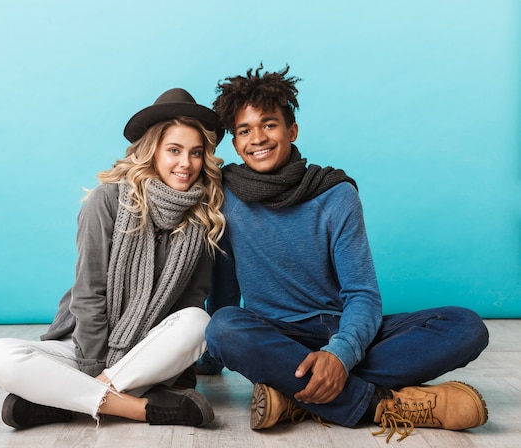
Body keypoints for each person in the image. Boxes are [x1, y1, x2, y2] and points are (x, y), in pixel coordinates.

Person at [199, 65, 490, 442]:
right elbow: (223, 294)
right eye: (244, 130)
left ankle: (294, 396)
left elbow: (362, 294)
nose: (258, 138)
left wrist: (339, 354)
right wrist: (208, 358)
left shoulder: (335, 194)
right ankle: (380, 405)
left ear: (292, 130)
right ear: (235, 144)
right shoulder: (226, 196)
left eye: (269, 124)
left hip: (338, 327)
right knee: (223, 326)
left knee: (466, 327)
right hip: (274, 333)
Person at [0, 87, 226, 429]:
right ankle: (140, 408)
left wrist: (172, 372)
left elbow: (187, 303)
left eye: (196, 153)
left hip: (147, 354)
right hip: (85, 348)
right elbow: (88, 293)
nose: (186, 163)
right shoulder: (107, 200)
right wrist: (95, 369)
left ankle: (64, 403)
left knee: (199, 322)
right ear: (152, 150)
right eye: (174, 150)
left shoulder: (203, 218)